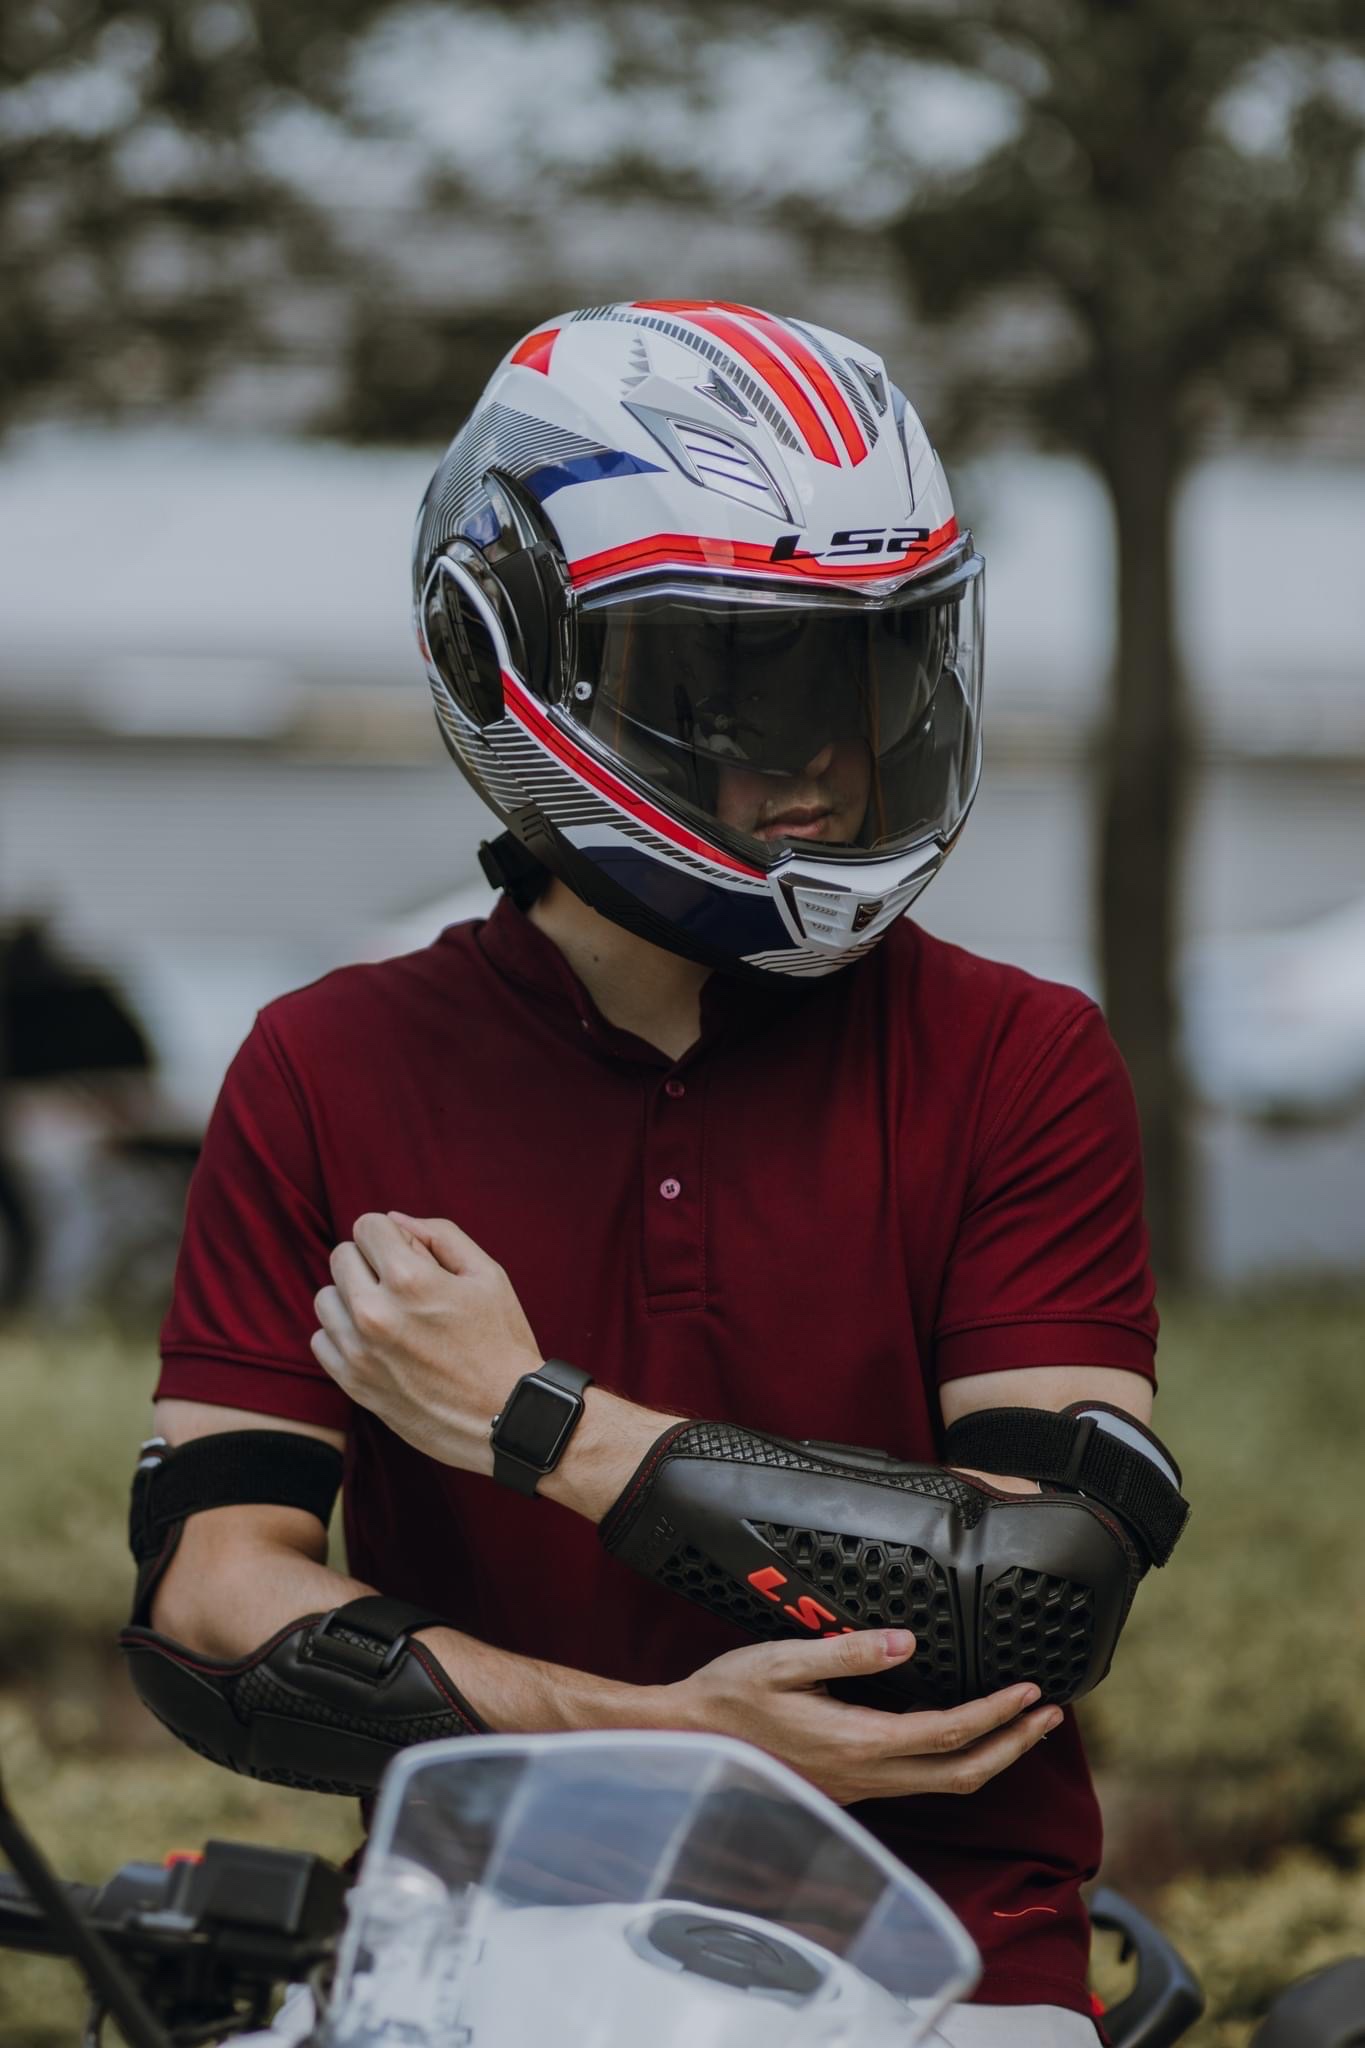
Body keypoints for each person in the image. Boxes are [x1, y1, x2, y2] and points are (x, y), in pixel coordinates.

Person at [136, 303, 1168, 2047]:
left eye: (864, 670)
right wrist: (669, 1736)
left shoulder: (1019, 1056)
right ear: (508, 653)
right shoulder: (329, 1065)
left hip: (948, 1969)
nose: (822, 751)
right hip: (469, 1963)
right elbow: (212, 1594)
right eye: (733, 678)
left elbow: (1028, 1589)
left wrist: (540, 1423)